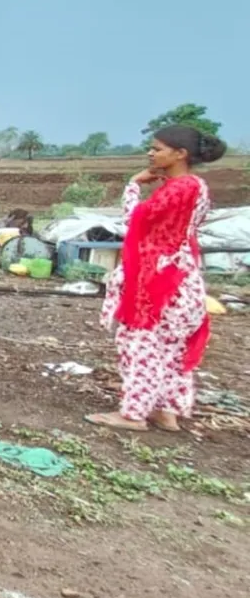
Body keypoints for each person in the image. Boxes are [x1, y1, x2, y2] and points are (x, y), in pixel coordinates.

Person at [85, 125, 225, 432]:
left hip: (158, 279)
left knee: (141, 344)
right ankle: (165, 411)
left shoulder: (179, 188)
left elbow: (135, 220)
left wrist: (133, 185)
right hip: (183, 277)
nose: (151, 153)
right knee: (171, 348)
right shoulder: (197, 186)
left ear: (180, 154)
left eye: (157, 148)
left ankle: (133, 413)